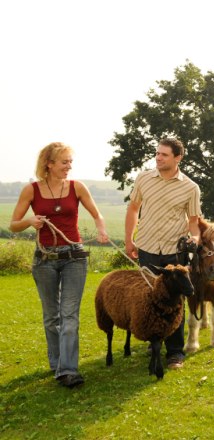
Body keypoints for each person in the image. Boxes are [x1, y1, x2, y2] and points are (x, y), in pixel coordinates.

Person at [10, 142, 109, 388]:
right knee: (51, 316)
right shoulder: (31, 190)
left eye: (70, 162)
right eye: (64, 162)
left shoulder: (77, 187)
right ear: (49, 164)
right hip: (44, 259)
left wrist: (101, 230)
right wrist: (30, 221)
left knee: (69, 315)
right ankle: (56, 364)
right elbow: (13, 224)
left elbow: (97, 214)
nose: (69, 167)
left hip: (74, 256)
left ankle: (68, 370)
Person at [124, 137, 201, 370]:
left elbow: (194, 222)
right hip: (146, 246)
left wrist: (195, 238)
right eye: (157, 153)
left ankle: (175, 353)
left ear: (177, 158)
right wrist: (129, 239)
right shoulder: (144, 178)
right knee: (149, 298)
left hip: (173, 251)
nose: (158, 158)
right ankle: (154, 339)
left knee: (175, 301)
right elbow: (133, 208)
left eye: (164, 155)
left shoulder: (190, 187)